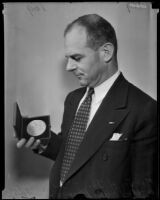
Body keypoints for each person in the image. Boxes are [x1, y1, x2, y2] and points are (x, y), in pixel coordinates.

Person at [16, 14, 157, 199]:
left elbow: (144, 192)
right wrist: (43, 141)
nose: (68, 66)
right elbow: (76, 153)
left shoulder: (144, 109)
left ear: (106, 52)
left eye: (76, 57)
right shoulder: (73, 99)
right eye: (68, 58)